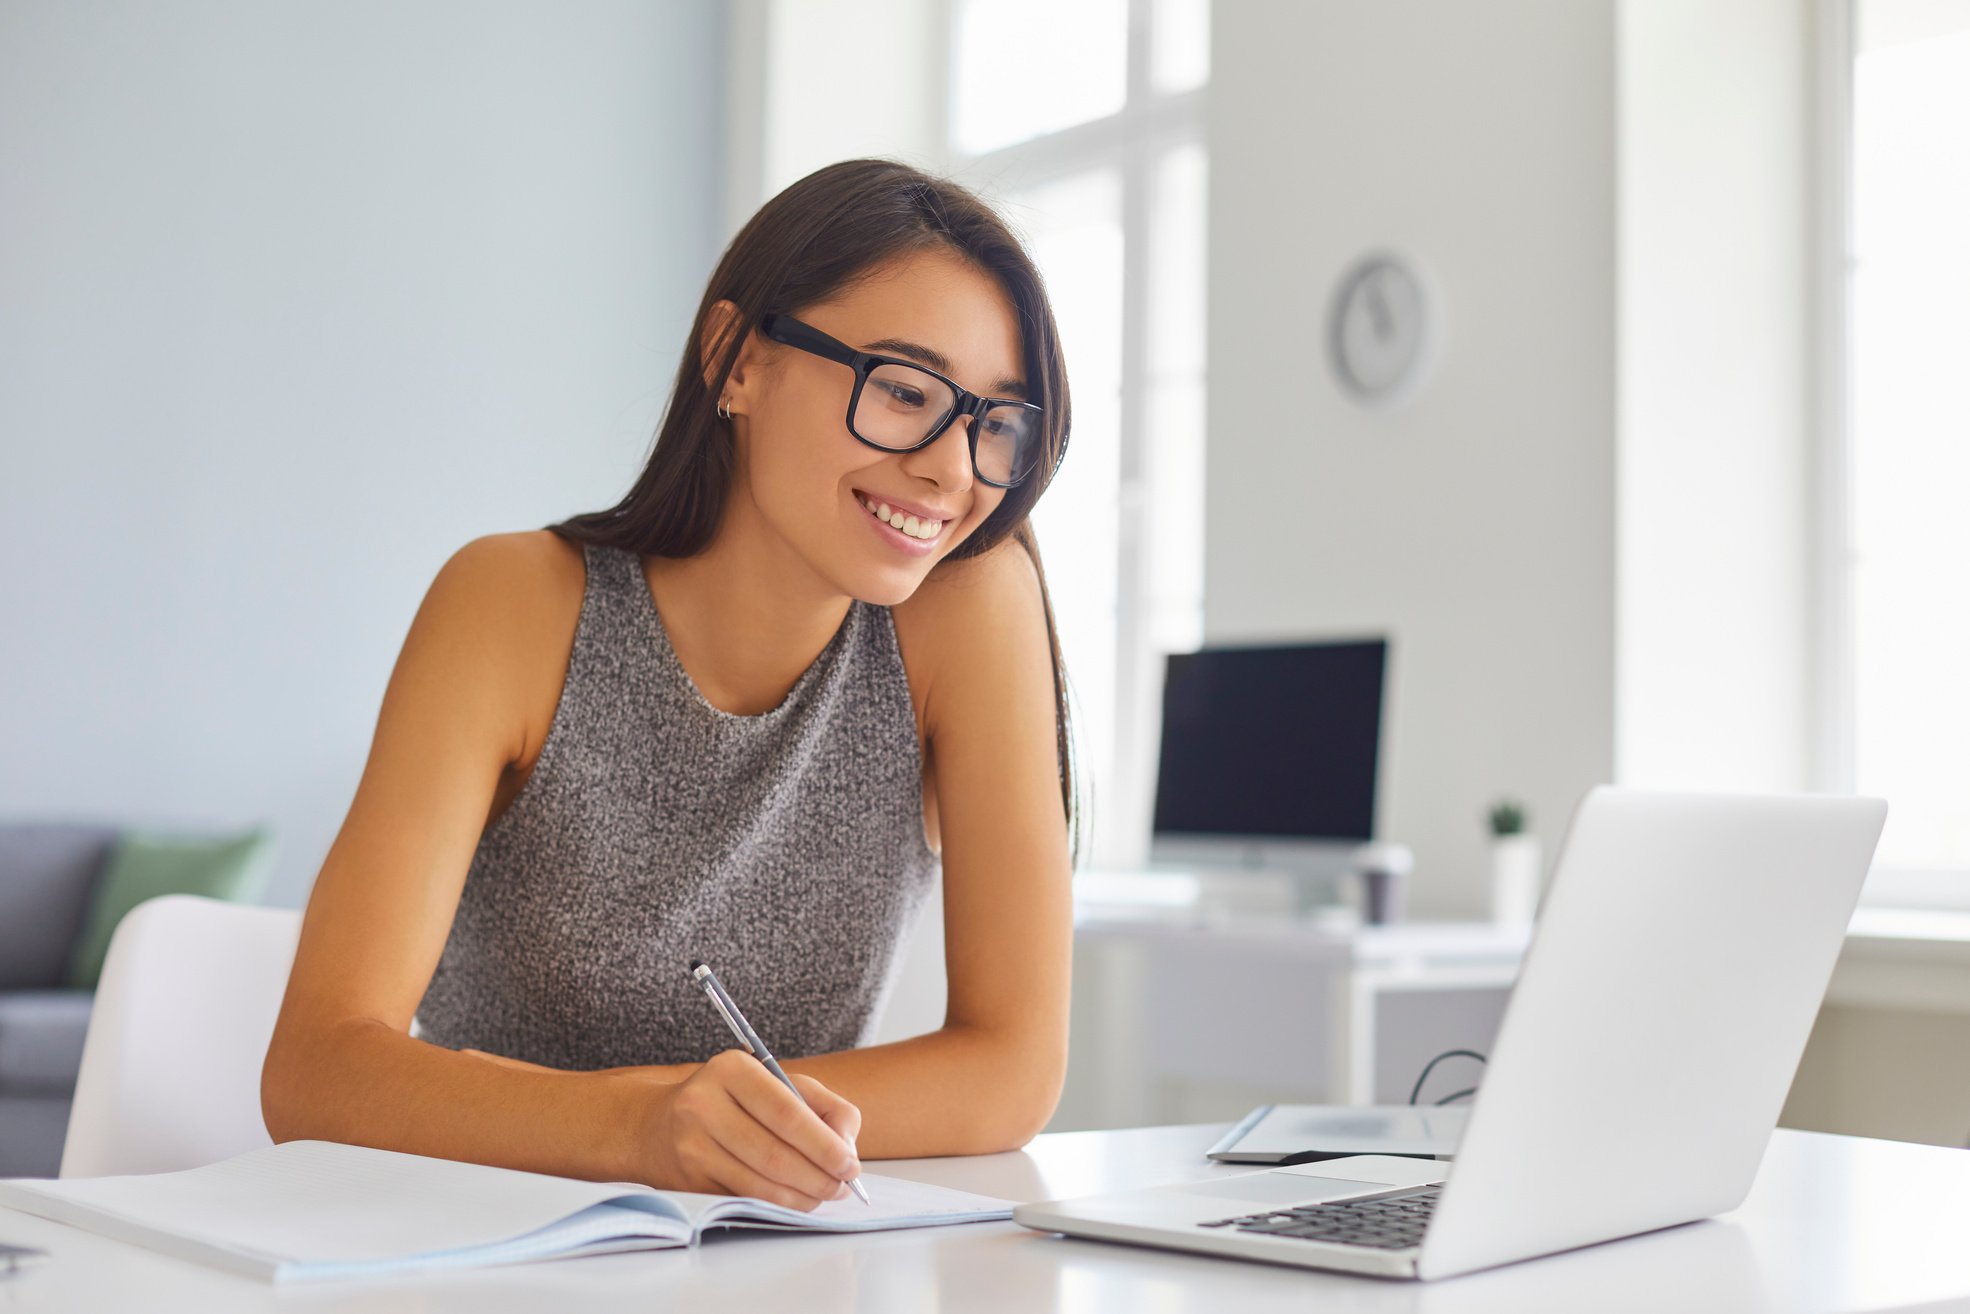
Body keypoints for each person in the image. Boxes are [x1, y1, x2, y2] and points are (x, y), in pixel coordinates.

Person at [261, 159, 1076, 1212]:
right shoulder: (510, 605)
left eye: (992, 422)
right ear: (735, 360)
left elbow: (1012, 1069)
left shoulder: (966, 608)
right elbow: (318, 1069)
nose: (951, 471)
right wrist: (639, 1128)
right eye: (904, 391)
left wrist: (710, 1131)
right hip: (485, 1242)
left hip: (771, 1255)